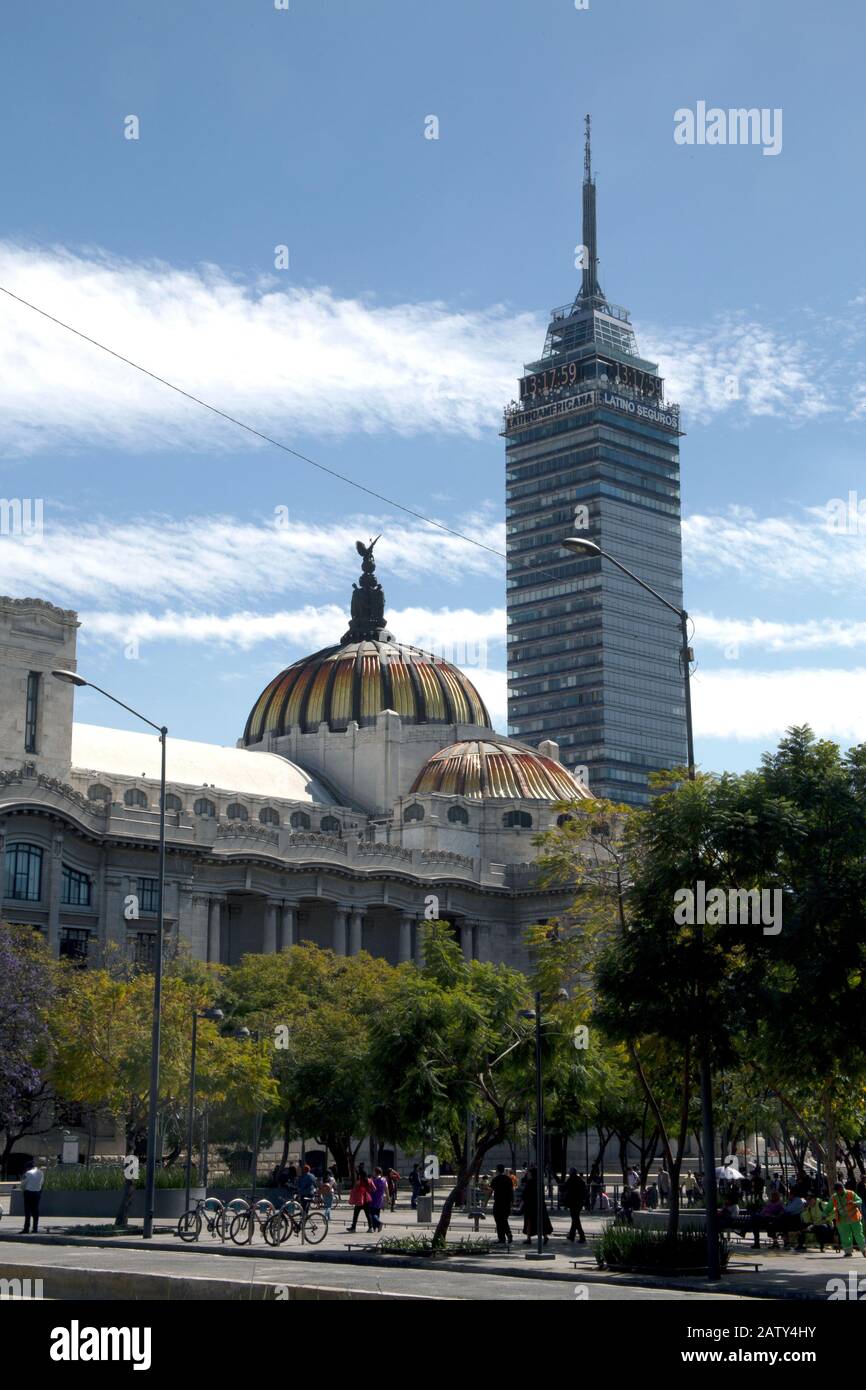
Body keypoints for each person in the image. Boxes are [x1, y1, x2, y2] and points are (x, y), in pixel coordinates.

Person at [824, 1182, 866, 1258]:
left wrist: (854, 1202)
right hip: (842, 1219)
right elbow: (829, 1207)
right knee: (845, 1236)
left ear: (842, 1188)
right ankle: (848, 1252)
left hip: (854, 1218)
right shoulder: (834, 1197)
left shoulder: (850, 1193)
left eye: (838, 1189)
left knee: (858, 1235)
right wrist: (824, 1214)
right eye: (836, 1190)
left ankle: (864, 1250)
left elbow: (860, 1200)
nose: (837, 1191)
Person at [521, 1166, 553, 1244]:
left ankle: (528, 1238)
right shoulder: (540, 1182)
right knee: (541, 1220)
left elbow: (525, 1194)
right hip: (540, 1204)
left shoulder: (529, 1182)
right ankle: (545, 1236)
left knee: (529, 1221)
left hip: (530, 1204)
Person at [19, 1158, 45, 1234]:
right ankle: (35, 1228)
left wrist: (23, 1191)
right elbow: (41, 1183)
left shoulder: (28, 1173)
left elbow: (23, 1184)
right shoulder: (40, 1172)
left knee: (27, 1212)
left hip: (28, 1193)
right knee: (35, 1211)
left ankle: (26, 1229)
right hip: (37, 1193)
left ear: (28, 1167)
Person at [490, 1164, 514, 1246]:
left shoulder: (495, 1179)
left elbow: (490, 1190)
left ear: (497, 1170)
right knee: (504, 1219)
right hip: (507, 1203)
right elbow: (511, 1191)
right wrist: (512, 1202)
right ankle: (508, 1234)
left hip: (498, 1203)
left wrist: (485, 1202)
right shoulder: (508, 1179)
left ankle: (502, 1238)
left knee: (498, 1220)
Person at [562, 1168, 587, 1243]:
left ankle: (582, 1236)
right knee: (575, 1219)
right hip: (579, 1203)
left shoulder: (571, 1179)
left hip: (573, 1203)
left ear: (572, 1173)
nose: (568, 1173)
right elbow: (585, 1191)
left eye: (569, 1172)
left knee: (576, 1220)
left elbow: (564, 1188)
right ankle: (572, 1236)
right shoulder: (580, 1180)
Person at [348, 1166, 375, 1233]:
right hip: (367, 1199)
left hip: (360, 1200)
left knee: (356, 1214)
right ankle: (371, 1228)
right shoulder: (369, 1181)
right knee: (368, 1214)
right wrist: (369, 1192)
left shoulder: (358, 1182)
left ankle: (353, 1228)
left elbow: (354, 1190)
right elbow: (374, 1189)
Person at [370, 1167, 389, 1232]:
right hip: (380, 1199)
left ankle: (378, 1224)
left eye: (373, 1171)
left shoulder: (373, 1180)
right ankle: (375, 1227)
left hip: (373, 1198)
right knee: (377, 1213)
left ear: (375, 1172)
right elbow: (386, 1189)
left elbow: (371, 1189)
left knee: (371, 1213)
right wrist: (388, 1198)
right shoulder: (384, 1180)